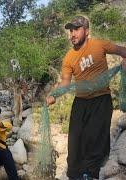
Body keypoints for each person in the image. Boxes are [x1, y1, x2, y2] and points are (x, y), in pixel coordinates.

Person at [46, 15, 126, 179]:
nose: (72, 34)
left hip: (101, 101)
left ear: (87, 31)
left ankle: (91, 175)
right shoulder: (69, 57)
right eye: (70, 30)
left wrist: (125, 59)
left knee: (95, 141)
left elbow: (122, 51)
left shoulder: (100, 45)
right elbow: (66, 83)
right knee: (74, 144)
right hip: (80, 103)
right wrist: (54, 95)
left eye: (76, 29)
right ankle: (74, 175)